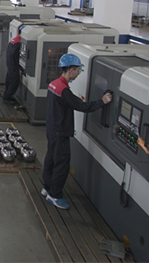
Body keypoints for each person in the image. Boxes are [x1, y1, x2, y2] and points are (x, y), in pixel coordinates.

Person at [42, 53, 112, 210]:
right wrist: (102, 102)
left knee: (51, 159)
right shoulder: (64, 91)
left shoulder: (53, 84)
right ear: (71, 70)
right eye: (78, 70)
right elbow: (82, 106)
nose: (78, 73)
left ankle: (47, 187)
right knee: (62, 165)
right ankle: (55, 195)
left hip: (51, 129)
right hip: (60, 133)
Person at [2, 26, 23, 104]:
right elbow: (15, 54)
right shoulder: (18, 42)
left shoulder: (14, 40)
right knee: (15, 82)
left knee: (9, 80)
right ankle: (7, 97)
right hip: (13, 65)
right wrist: (18, 65)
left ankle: (6, 95)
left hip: (9, 63)